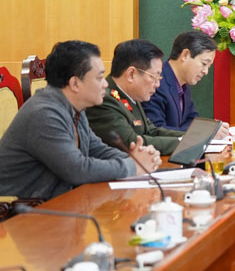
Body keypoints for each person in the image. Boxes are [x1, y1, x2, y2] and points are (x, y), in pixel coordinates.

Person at [0, 40, 160, 200]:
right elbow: (77, 170)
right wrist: (132, 166)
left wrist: (138, 158)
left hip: (58, 201)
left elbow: (96, 150)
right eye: (99, 78)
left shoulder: (75, 108)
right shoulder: (44, 114)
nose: (105, 84)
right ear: (75, 83)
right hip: (21, 208)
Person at [87, 39, 186, 155]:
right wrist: (182, 143)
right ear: (131, 74)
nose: (157, 84)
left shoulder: (131, 96)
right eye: (154, 77)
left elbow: (151, 131)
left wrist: (188, 137)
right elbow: (133, 143)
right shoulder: (104, 100)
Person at [143, 31, 227, 137]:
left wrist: (206, 127)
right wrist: (203, 132)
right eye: (204, 64)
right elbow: (157, 131)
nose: (206, 71)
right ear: (185, 55)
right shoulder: (156, 83)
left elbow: (192, 120)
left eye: (208, 66)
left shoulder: (183, 83)